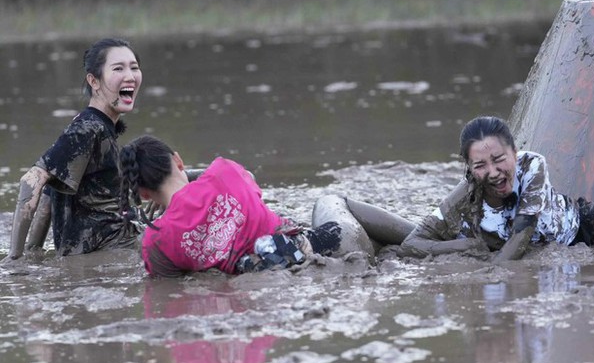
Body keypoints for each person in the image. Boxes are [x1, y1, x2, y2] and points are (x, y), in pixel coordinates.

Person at [344, 115, 594, 262]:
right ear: (468, 167)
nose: (493, 172)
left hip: (580, 225)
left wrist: (493, 269)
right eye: (480, 165)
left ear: (514, 151)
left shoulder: (533, 166)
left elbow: (521, 237)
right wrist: (461, 246)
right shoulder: (461, 200)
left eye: (500, 159)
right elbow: (411, 244)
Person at [118, 135, 373, 278]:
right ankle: (412, 237)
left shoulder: (155, 240)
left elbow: (167, 286)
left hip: (253, 270)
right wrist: (195, 177)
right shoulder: (222, 172)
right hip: (330, 246)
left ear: (144, 195)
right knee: (331, 201)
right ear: (178, 161)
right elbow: (249, 179)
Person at [6, 38, 143, 260]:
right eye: (118, 68)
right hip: (114, 248)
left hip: (110, 245)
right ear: (94, 81)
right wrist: (15, 258)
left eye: (134, 67)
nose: (130, 76)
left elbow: (51, 192)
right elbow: (31, 180)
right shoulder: (88, 127)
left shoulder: (98, 126)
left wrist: (34, 250)